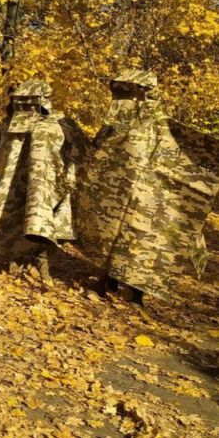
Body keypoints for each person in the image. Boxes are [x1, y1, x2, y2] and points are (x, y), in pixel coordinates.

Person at [75, 70, 219, 304]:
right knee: (111, 235)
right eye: (120, 93)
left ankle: (135, 291)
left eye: (130, 93)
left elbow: (184, 157)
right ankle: (107, 280)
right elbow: (97, 150)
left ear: (147, 94)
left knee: (142, 241)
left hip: (148, 198)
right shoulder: (116, 123)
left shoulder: (161, 127)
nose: (123, 101)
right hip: (115, 195)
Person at [0, 80, 86, 280]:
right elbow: (0, 153)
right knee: (13, 219)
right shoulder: (8, 124)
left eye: (31, 102)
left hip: (49, 187)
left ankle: (42, 260)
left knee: (45, 222)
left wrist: (69, 180)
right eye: (23, 102)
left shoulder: (62, 124)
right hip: (14, 184)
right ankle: (17, 259)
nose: (27, 107)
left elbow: (78, 154)